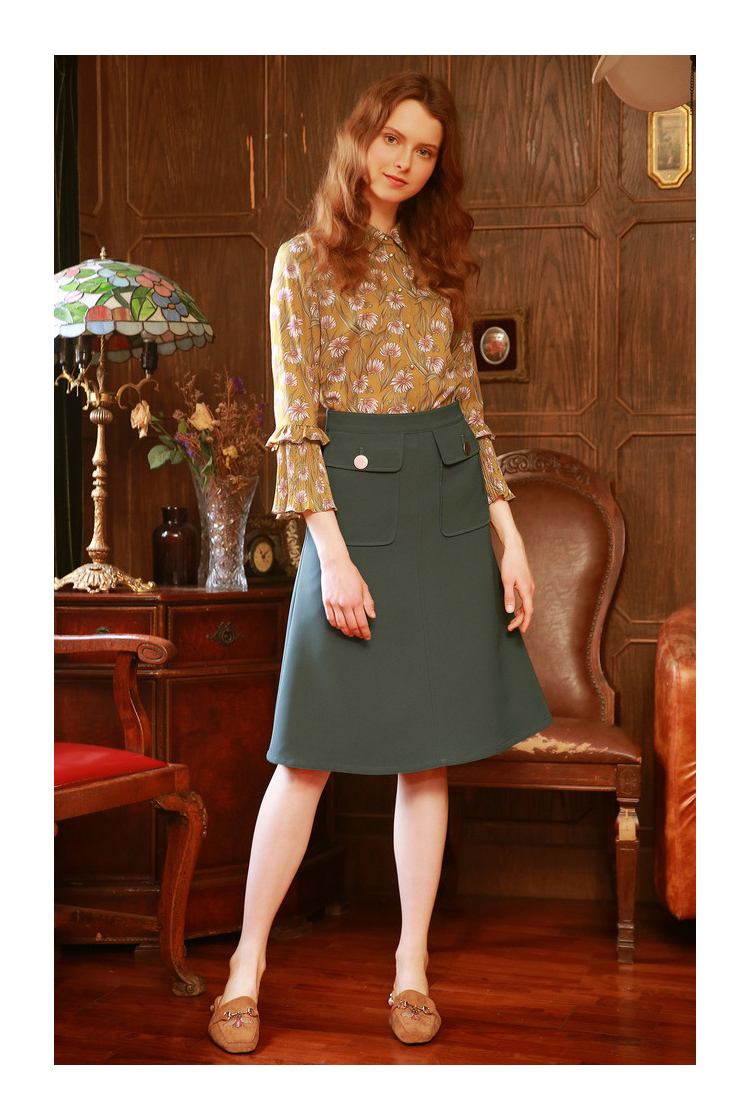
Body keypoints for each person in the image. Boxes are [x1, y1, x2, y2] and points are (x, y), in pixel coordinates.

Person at [208, 72, 552, 1054]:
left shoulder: (437, 267)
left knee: (425, 755)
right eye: (393, 139)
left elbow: (471, 415)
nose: (405, 161)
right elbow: (296, 425)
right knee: (305, 755)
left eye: (426, 149)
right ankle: (245, 966)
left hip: (446, 507)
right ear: (361, 140)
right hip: (350, 515)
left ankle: (411, 967)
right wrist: (336, 560)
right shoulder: (301, 262)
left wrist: (510, 538)